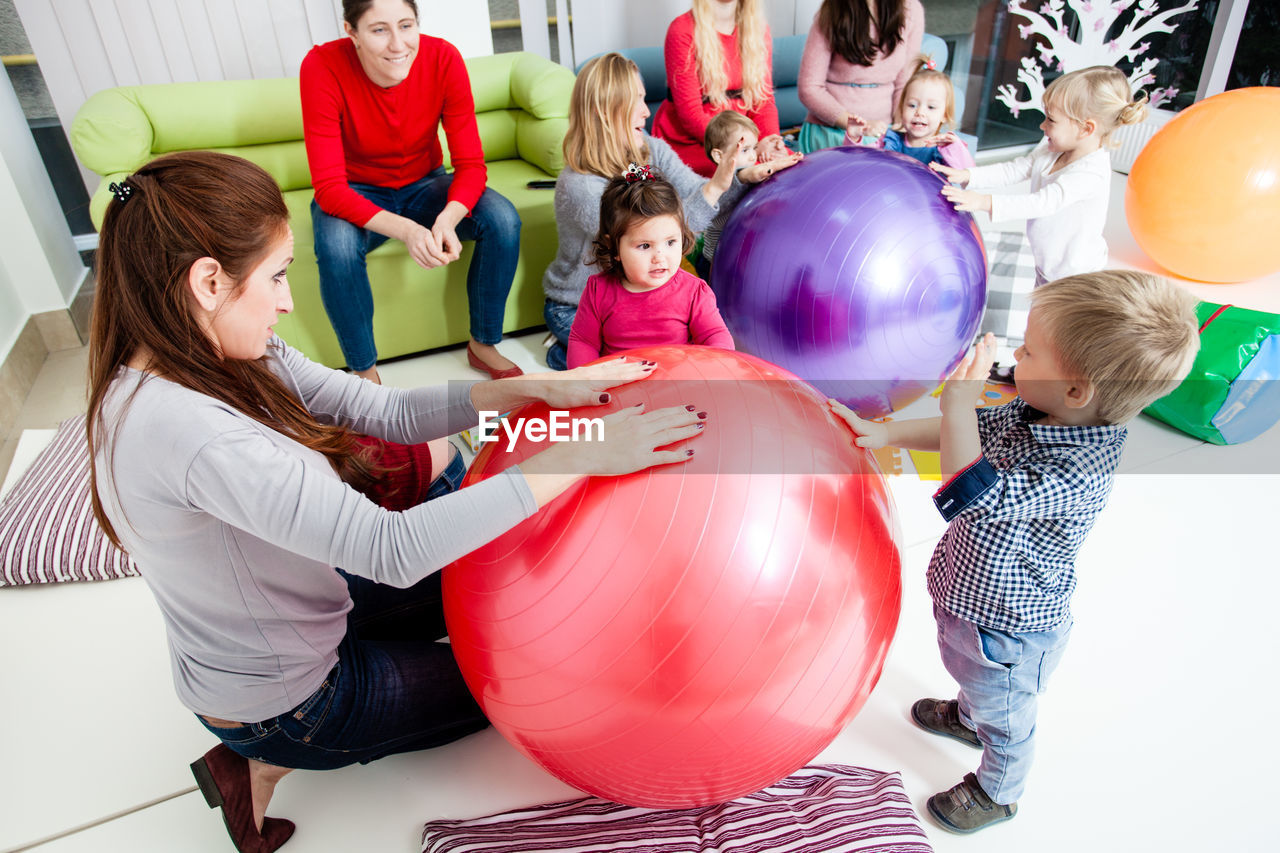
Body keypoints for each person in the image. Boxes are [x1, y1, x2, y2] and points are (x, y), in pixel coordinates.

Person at [85, 150, 707, 853]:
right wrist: (587, 452)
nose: (287, 302)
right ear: (207, 281)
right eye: (277, 277)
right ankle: (262, 756)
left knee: (497, 570)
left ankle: (257, 755)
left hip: (303, 603)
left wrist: (525, 389)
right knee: (537, 675)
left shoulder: (212, 352)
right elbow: (393, 549)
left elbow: (373, 407)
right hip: (292, 700)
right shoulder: (192, 433)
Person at [828, 270, 1200, 834]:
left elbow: (969, 488)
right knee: (970, 675)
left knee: (1009, 715)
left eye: (1029, 351)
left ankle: (998, 790)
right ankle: (969, 717)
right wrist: (888, 434)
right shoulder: (1037, 410)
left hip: (1010, 628)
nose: (1016, 358)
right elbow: (971, 430)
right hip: (971, 596)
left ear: (1076, 391)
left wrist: (956, 400)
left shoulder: (1078, 471)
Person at [301, 0, 523, 384]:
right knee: (335, 247)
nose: (398, 44)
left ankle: (483, 344)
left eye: (406, 25)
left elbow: (471, 165)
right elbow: (329, 189)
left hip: (426, 182)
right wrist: (408, 230)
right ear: (351, 32)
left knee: (502, 219)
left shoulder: (443, 59)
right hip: (357, 190)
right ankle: (364, 371)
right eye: (379, 30)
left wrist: (448, 218)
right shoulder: (322, 66)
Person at [542, 52, 800, 372]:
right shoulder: (579, 186)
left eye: (643, 98)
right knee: (630, 366)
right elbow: (663, 231)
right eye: (635, 101)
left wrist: (742, 176)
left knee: (674, 353)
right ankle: (559, 351)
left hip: (649, 297)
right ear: (603, 112)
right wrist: (718, 186)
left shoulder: (651, 149)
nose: (644, 112)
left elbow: (697, 194)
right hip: (579, 305)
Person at [933, 65, 1148, 287]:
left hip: (1075, 276)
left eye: (1051, 120)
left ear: (1086, 129)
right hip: (1047, 263)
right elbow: (1016, 169)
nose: (1042, 125)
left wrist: (982, 202)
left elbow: (1043, 202)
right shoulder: (1052, 147)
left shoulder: (1091, 172)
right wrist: (967, 175)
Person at [567, 167, 735, 369]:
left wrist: (716, 368)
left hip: (677, 386)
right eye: (645, 246)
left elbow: (715, 336)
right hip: (620, 389)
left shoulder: (694, 292)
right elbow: (583, 341)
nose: (660, 257)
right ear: (614, 247)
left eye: (670, 242)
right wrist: (586, 381)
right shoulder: (598, 290)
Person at [650, 0, 789, 177]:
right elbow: (690, 114)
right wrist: (746, 146)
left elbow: (763, 101)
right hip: (698, 141)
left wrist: (769, 142)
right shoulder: (682, 30)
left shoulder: (758, 28)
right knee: (740, 171)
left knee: (786, 164)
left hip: (744, 138)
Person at [796, 0, 924, 153]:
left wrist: (901, 131)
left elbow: (904, 84)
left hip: (885, 131)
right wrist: (856, 125)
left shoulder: (911, 9)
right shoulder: (833, 10)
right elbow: (809, 88)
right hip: (831, 130)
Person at [855, 54, 974, 168]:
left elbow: (968, 174)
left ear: (945, 115)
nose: (920, 112)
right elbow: (860, 162)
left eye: (931, 107)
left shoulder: (943, 150)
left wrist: (955, 147)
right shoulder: (891, 141)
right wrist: (854, 138)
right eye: (912, 105)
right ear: (902, 109)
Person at [698, 110, 760, 280]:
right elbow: (745, 176)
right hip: (714, 260)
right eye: (745, 150)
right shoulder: (726, 183)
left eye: (754, 148)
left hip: (735, 253)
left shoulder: (746, 174)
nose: (753, 156)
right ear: (719, 156)